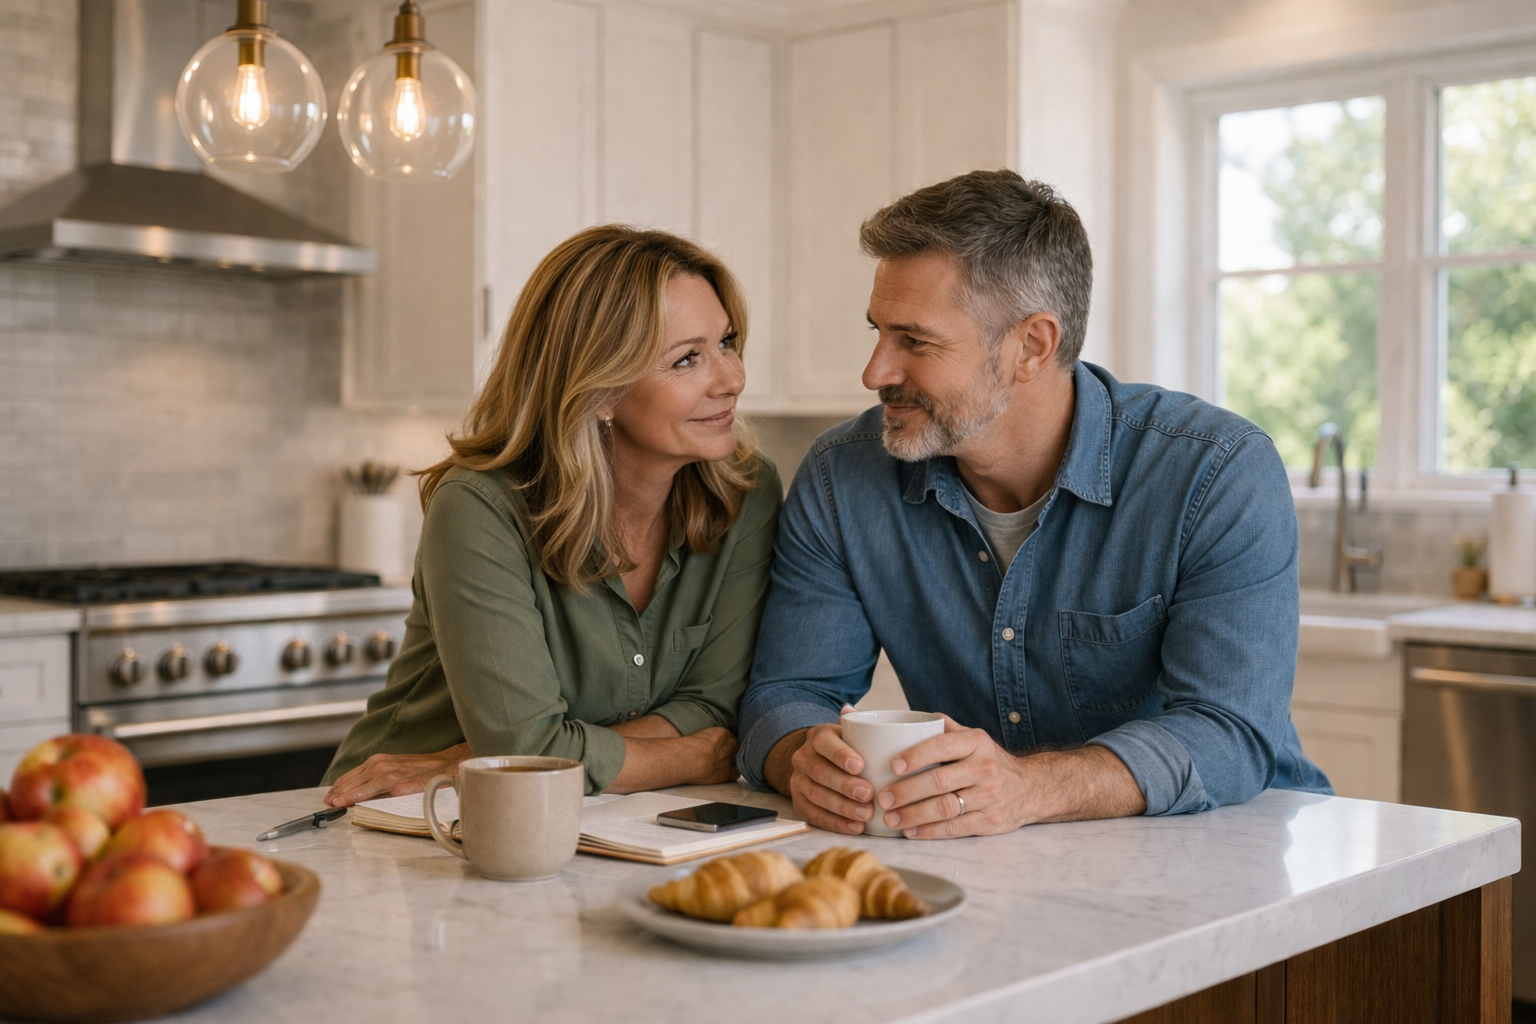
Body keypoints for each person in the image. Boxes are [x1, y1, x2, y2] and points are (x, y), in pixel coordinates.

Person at [736, 169, 1331, 839]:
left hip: (1232, 850)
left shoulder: (1215, 472)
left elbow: (1229, 733)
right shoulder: (841, 479)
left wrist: (1031, 788)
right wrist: (799, 758)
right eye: (877, 332)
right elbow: (783, 698)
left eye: (915, 341)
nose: (875, 371)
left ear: (1032, 346)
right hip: (994, 861)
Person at [322, 225, 780, 804]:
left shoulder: (747, 491)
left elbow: (715, 708)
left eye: (727, 342)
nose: (733, 378)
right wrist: (688, 755)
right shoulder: (479, 506)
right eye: (687, 359)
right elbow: (535, 743)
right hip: (401, 817)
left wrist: (501, 756)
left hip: (595, 823)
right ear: (599, 391)